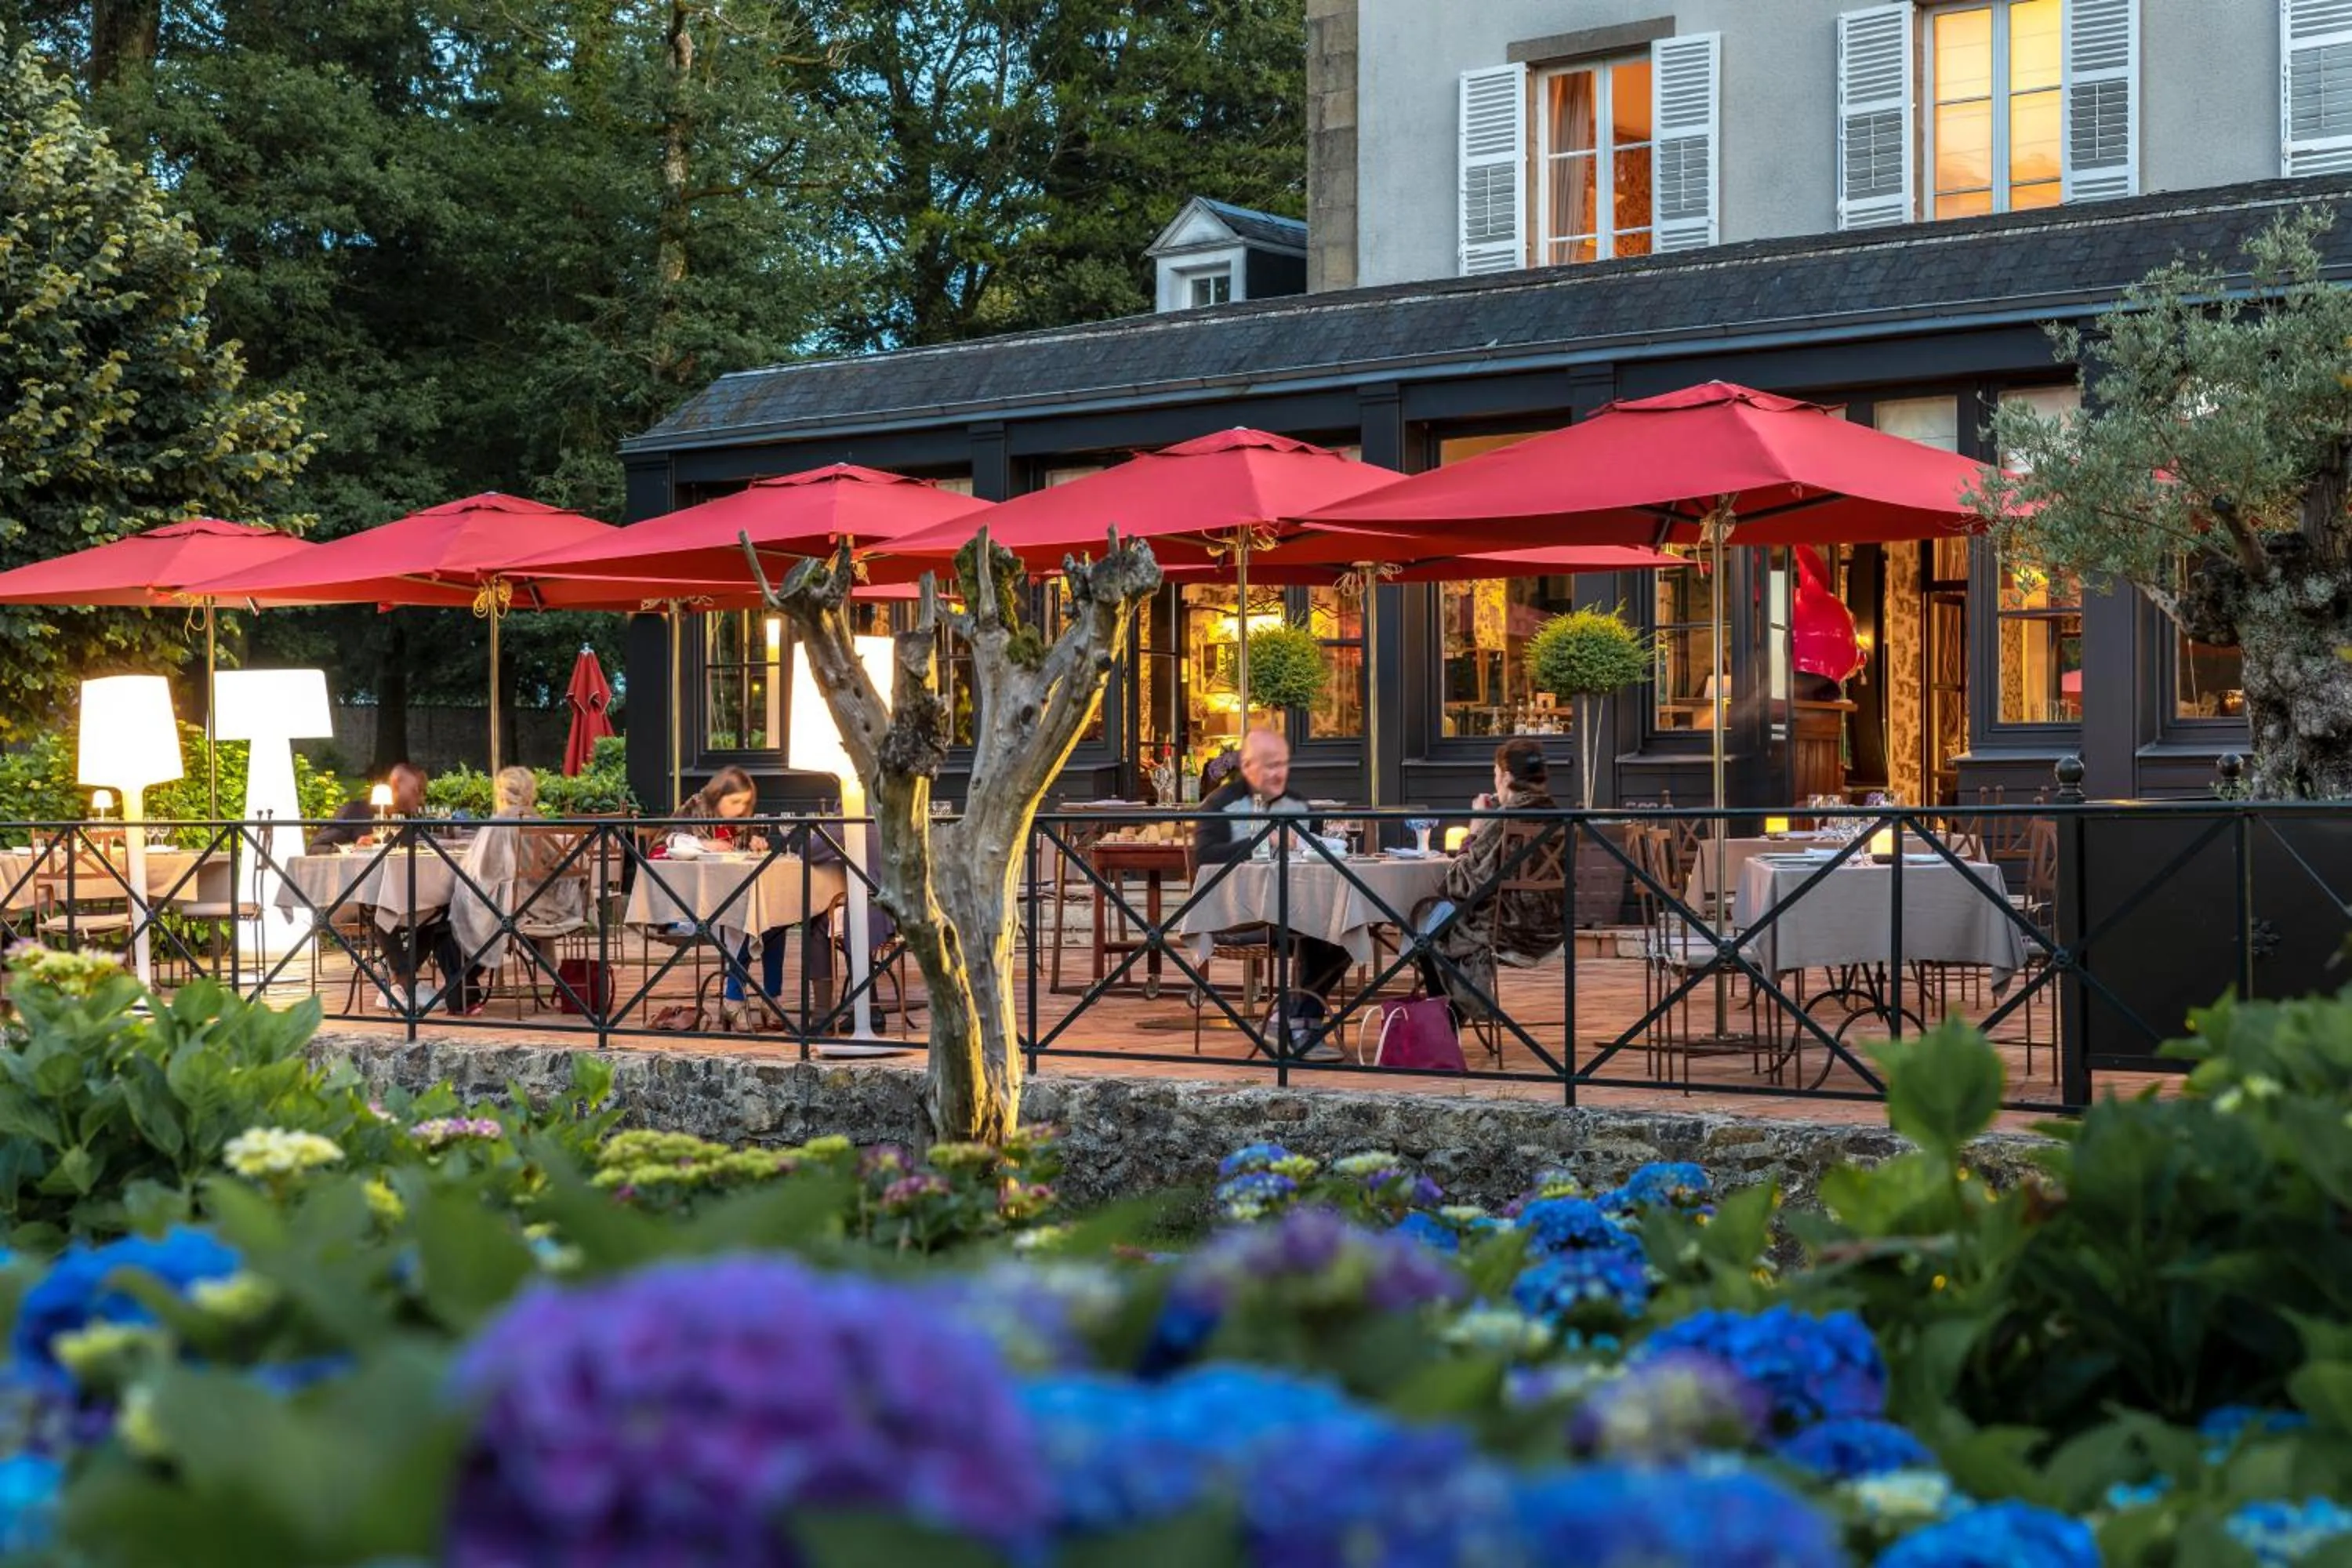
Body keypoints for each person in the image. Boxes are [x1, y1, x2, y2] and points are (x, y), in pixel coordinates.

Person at [1196, 728, 1348, 1060]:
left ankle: (1289, 1020)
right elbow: (1205, 856)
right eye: (1269, 765)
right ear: (1247, 765)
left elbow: (1317, 855)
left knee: (1348, 924)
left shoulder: (1299, 804)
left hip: (1297, 907)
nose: (1278, 773)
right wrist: (1267, 839)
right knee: (1320, 927)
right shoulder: (1221, 804)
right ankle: (1299, 1025)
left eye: (1283, 764)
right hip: (1237, 913)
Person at [662, 767, 837, 1032]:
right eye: (734, 802)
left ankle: (770, 998)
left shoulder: (742, 819)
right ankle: (734, 999)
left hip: (734, 898)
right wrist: (704, 846)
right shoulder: (695, 809)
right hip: (692, 902)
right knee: (750, 921)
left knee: (775, 920)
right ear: (717, 794)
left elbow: (739, 856)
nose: (739, 808)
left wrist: (755, 842)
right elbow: (665, 846)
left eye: (744, 803)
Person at [1414, 738, 1568, 1019]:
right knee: (1437, 924)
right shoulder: (1560, 817)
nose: (1495, 781)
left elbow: (1460, 885)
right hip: (1551, 930)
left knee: (1424, 934)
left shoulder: (1505, 820)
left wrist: (1475, 828)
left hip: (1504, 930)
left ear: (1507, 777)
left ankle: (1445, 1024)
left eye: (1496, 774)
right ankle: (1449, 1021)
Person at [449, 766, 583, 1014]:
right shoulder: (537, 822)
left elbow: (477, 872)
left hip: (510, 910)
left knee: (455, 916)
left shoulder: (498, 824)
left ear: (500, 793)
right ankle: (464, 990)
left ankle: (462, 994)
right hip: (546, 909)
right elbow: (564, 867)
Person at [308, 761, 426, 852]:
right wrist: (353, 848)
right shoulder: (355, 812)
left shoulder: (408, 821)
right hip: (360, 882)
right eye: (417, 790)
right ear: (395, 785)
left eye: (424, 792)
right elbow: (316, 848)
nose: (422, 799)